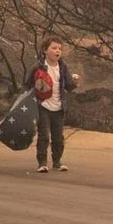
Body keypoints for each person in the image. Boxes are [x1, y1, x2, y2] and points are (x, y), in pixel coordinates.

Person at [32, 37, 79, 173]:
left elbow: (69, 86)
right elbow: (27, 84)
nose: (57, 51)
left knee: (58, 137)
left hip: (59, 107)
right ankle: (42, 163)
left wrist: (75, 82)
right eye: (54, 48)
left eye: (59, 48)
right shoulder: (38, 67)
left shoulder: (63, 67)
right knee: (44, 136)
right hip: (43, 106)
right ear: (45, 51)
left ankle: (57, 162)